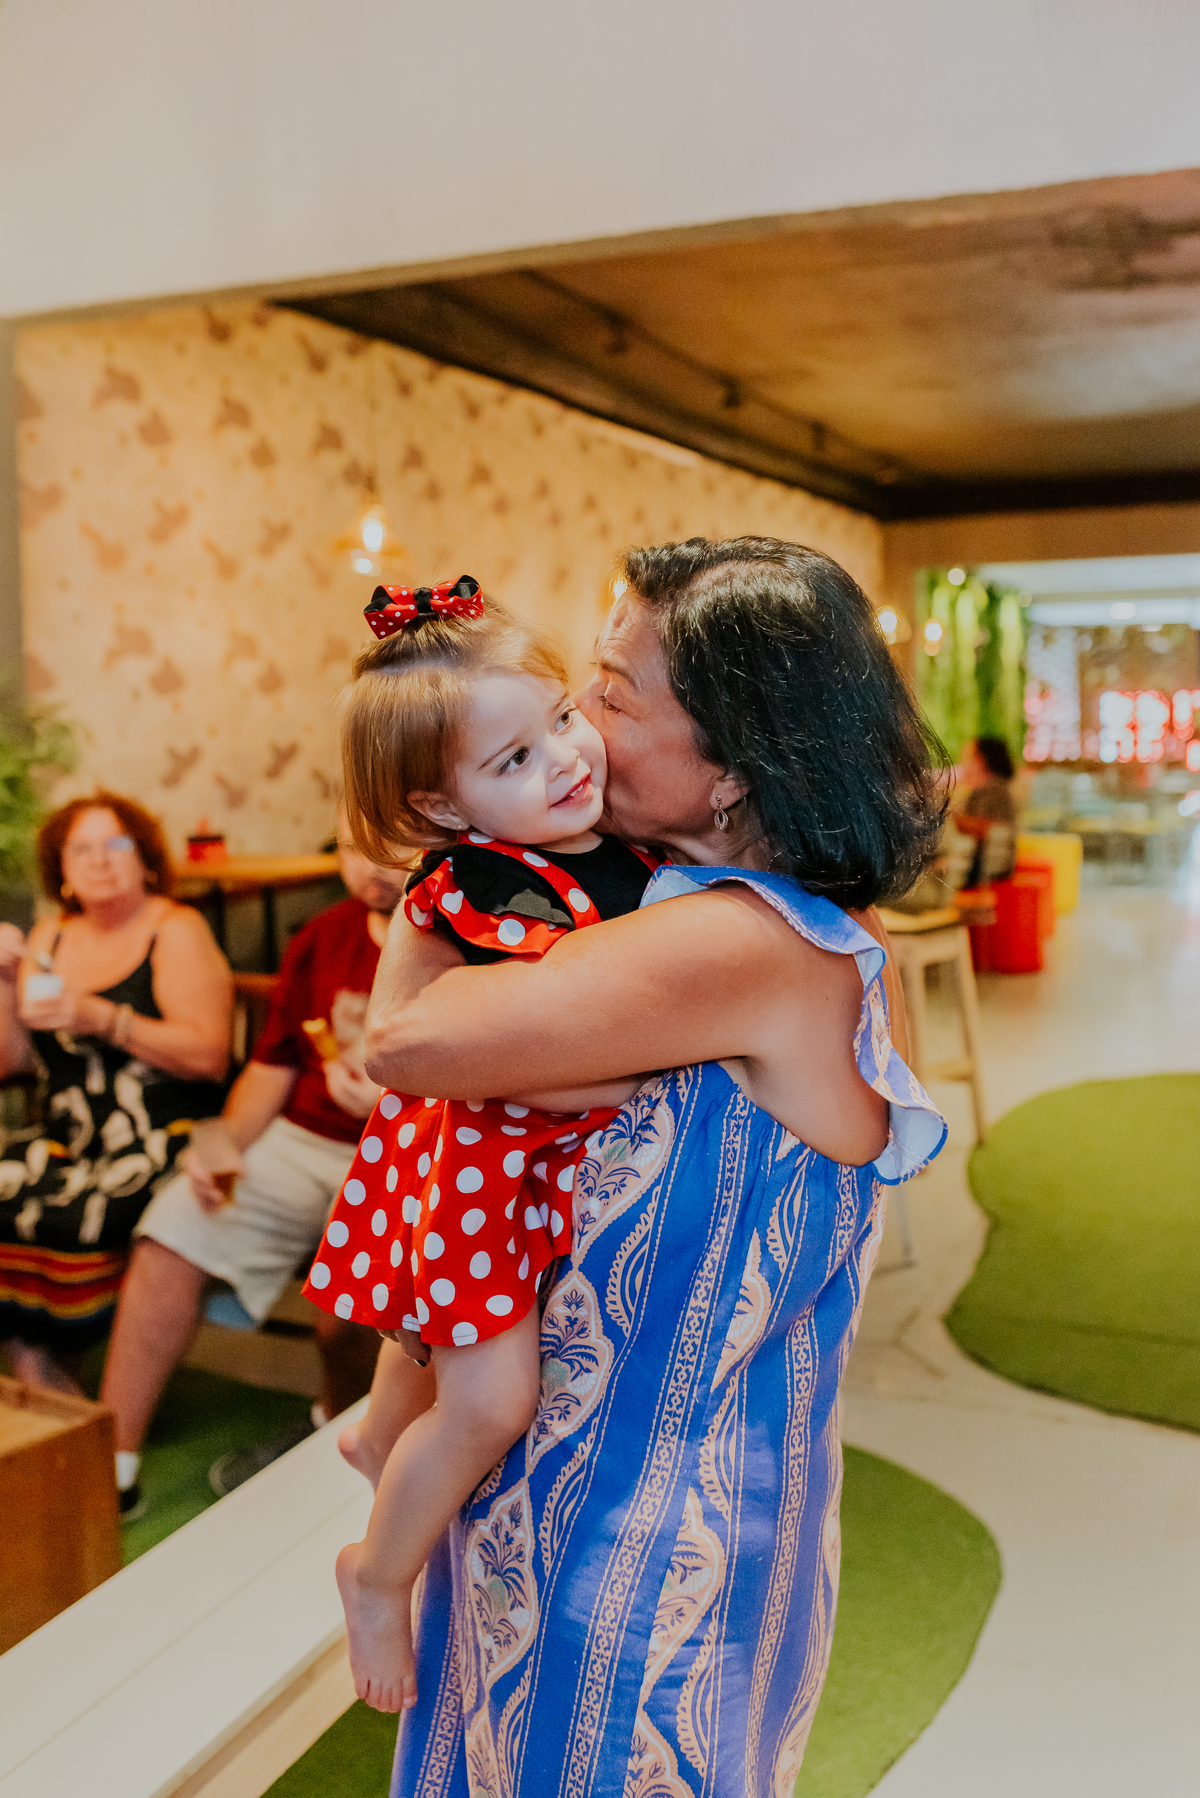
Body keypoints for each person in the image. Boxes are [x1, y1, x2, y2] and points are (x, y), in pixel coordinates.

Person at [363, 538, 949, 1797]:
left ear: (735, 764)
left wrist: (417, 914)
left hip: (632, 1558)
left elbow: (408, 1047)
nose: (580, 733)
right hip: (631, 1512)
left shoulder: (730, 942)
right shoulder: (749, 907)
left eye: (612, 697)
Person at [301, 576, 658, 1713]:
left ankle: (379, 1439)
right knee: (492, 1397)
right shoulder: (479, 887)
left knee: (430, 1357)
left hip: (508, 1170)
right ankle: (377, 1568)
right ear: (445, 811)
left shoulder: (613, 842)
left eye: (560, 717)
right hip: (477, 1174)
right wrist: (673, 1070)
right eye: (511, 761)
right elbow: (529, 1068)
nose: (562, 759)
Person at [99, 814, 409, 1517]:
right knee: (171, 1227)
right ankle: (111, 1470)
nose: (370, 868)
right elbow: (269, 1070)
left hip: (404, 1148)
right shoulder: (320, 937)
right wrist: (217, 1148)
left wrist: (397, 1100)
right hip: (301, 1142)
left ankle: (339, 1433)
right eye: (354, 848)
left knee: (352, 1308)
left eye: (389, 847)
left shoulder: (456, 939)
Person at [0, 794, 230, 1397]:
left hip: (167, 1134)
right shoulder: (48, 937)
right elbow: (13, 1060)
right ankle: (39, 1371)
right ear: (62, 871)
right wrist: (2, 982)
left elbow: (209, 1057)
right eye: (82, 849)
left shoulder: (175, 930)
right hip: (69, 1137)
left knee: (84, 1208)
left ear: (146, 862)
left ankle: (57, 1380)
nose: (100, 861)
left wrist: (101, 1017)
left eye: (117, 845)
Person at [953, 735, 1018, 886]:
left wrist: (953, 818)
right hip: (979, 862)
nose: (962, 760)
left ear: (981, 760)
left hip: (985, 866)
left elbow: (990, 829)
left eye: (967, 755)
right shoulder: (981, 790)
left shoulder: (996, 790)